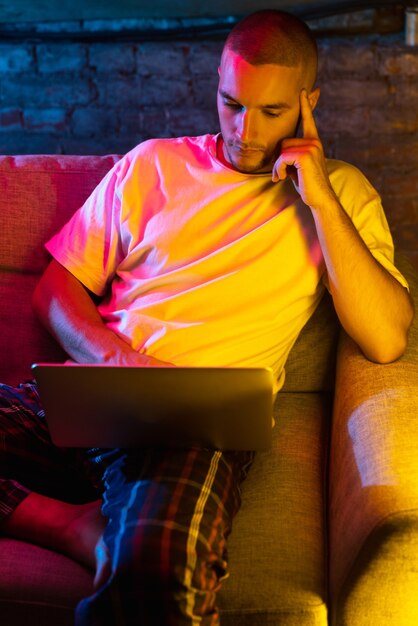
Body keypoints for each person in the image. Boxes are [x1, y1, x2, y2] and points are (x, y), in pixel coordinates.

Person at [0, 9, 414, 626]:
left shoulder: (341, 194)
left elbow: (385, 339)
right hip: (93, 393)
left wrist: (320, 196)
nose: (245, 131)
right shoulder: (151, 166)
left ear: (309, 104)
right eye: (231, 103)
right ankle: (71, 527)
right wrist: (118, 361)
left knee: (155, 575)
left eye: (271, 113)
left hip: (193, 429)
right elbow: (55, 290)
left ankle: (101, 531)